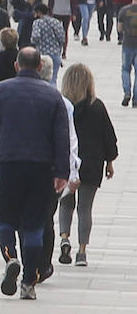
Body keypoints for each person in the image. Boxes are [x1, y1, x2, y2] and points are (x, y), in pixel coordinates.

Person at [0, 48, 71, 301]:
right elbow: (61, 137)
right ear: (40, 67)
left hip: (9, 163)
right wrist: (61, 171)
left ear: (16, 65)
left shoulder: (0, 91)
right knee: (33, 223)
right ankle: (29, 280)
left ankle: (11, 256)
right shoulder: (53, 95)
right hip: (41, 167)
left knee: (4, 216)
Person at [57, 64, 118, 267]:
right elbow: (108, 137)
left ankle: (64, 238)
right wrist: (109, 161)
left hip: (67, 162)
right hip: (92, 163)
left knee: (65, 203)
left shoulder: (61, 106)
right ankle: (82, 252)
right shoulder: (97, 106)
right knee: (85, 208)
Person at [29, 2, 66, 85]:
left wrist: (33, 42)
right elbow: (62, 38)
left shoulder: (37, 22)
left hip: (43, 54)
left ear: (39, 12)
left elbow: (35, 37)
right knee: (53, 79)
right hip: (55, 54)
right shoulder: (56, 22)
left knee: (41, 81)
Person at [118, 0, 137, 105]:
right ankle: (136, 99)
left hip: (127, 44)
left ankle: (127, 93)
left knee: (125, 69)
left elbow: (119, 28)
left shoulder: (124, 10)